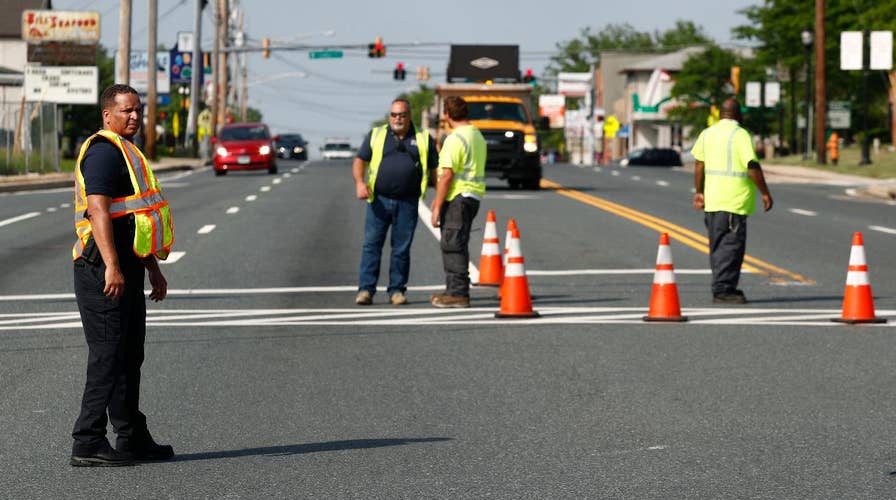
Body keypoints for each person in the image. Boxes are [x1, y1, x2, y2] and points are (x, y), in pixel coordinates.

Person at [70, 84, 175, 467]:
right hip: (100, 267)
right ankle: (87, 441)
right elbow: (98, 211)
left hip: (126, 266)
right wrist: (112, 266)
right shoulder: (102, 153)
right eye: (127, 110)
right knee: (108, 355)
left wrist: (153, 269)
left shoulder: (129, 152)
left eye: (138, 110)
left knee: (130, 354)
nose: (134, 116)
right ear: (107, 115)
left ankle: (132, 437)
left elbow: (135, 218)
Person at [353, 98, 437, 306]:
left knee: (401, 248)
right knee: (371, 246)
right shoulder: (376, 134)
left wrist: (439, 199)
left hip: (407, 202)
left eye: (402, 115)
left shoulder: (424, 138)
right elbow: (360, 160)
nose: (397, 118)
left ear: (409, 116)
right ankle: (366, 290)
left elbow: (436, 169)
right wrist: (359, 183)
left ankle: (397, 290)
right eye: (394, 114)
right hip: (379, 201)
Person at [692, 98, 773, 304]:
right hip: (734, 201)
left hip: (713, 200)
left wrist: (699, 191)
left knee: (718, 246)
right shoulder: (740, 135)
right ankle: (723, 290)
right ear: (738, 115)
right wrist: (764, 192)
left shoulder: (707, 133)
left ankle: (721, 287)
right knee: (731, 247)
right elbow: (752, 166)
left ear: (720, 114)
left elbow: (699, 165)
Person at [430, 96, 487, 308]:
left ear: (447, 115)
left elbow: (446, 176)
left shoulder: (455, 139)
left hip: (458, 197)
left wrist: (436, 205)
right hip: (472, 196)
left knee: (452, 244)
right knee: (457, 242)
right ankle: (453, 289)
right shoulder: (476, 135)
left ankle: (458, 293)